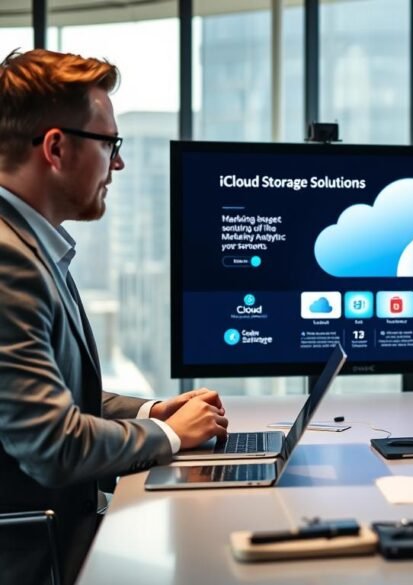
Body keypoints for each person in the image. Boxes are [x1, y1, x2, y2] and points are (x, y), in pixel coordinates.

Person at [0, 49, 230, 585]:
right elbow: (52, 444)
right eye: (110, 145)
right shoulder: (10, 259)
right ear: (56, 148)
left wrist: (154, 408)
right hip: (37, 558)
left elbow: (43, 393)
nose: (118, 164)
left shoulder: (29, 244)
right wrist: (167, 436)